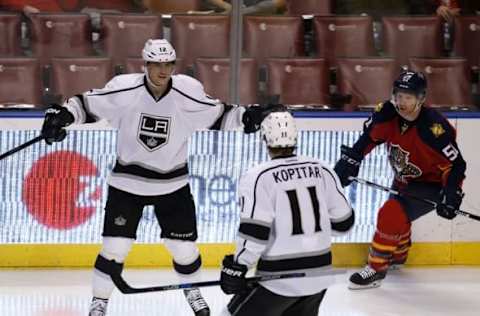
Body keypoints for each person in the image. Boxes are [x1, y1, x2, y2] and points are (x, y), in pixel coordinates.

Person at [40, 39, 272, 316]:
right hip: (127, 183)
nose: (163, 71)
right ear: (146, 65)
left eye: (168, 64)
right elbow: (87, 104)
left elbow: (219, 113)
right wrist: (62, 115)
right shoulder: (125, 88)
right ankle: (99, 301)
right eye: (157, 64)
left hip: (172, 185)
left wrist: (248, 117)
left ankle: (192, 291)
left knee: (183, 249)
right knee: (115, 247)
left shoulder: (188, 91)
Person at [334, 71, 467, 290]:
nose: (401, 102)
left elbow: (456, 165)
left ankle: (376, 269)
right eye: (398, 95)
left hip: (430, 185)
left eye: (408, 97)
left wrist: (451, 193)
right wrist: (352, 160)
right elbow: (369, 138)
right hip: (403, 178)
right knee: (398, 217)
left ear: (421, 99)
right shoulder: (386, 113)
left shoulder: (435, 129)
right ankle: (397, 256)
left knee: (390, 213)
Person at [219, 111, 355, 315]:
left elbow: (255, 234)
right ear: (295, 137)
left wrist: (238, 266)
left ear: (264, 138)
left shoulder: (258, 177)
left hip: (278, 280)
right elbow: (345, 223)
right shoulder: (322, 168)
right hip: (319, 277)